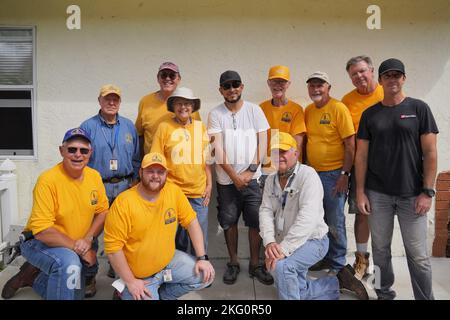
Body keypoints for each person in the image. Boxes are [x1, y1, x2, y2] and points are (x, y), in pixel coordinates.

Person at [355, 58, 438, 300]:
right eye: (387, 75)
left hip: (413, 194)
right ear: (379, 80)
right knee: (380, 251)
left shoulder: (419, 109)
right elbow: (361, 156)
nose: (392, 79)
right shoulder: (370, 114)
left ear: (404, 78)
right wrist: (360, 192)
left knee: (418, 255)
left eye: (397, 75)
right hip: (377, 193)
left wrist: (427, 191)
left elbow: (431, 153)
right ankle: (383, 293)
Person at [1, 128, 109, 300]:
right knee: (69, 264)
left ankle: (31, 277)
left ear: (90, 153)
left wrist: (88, 239)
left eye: (84, 150)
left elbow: (103, 211)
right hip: (38, 242)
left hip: (75, 243)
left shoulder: (94, 176)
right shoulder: (48, 180)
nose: (78, 155)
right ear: (62, 151)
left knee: (76, 296)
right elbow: (43, 231)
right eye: (72, 149)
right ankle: (41, 271)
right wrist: (79, 249)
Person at [259, 132, 368, 300]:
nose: (279, 156)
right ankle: (335, 284)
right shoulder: (270, 180)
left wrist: (283, 249)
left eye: (284, 151)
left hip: (313, 241)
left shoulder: (308, 176)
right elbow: (265, 211)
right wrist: (270, 242)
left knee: (282, 267)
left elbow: (307, 219)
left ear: (295, 153)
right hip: (287, 241)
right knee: (295, 287)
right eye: (275, 152)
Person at [104, 152, 214, 300]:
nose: (155, 176)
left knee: (205, 276)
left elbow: (191, 222)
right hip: (138, 276)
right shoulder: (123, 203)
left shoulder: (173, 191)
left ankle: (162, 295)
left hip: (167, 263)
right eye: (150, 171)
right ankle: (124, 290)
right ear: (140, 172)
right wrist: (131, 282)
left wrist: (202, 258)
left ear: (166, 174)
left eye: (160, 172)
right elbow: (113, 249)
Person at [207, 70, 273, 286]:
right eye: (227, 86)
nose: (232, 89)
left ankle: (255, 264)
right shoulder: (215, 114)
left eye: (235, 84)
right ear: (221, 90)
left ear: (242, 87)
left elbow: (263, 142)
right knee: (229, 222)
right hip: (227, 181)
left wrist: (250, 171)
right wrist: (235, 176)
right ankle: (233, 262)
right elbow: (217, 147)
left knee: (256, 221)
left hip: (253, 180)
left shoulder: (255, 110)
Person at [80, 84, 140, 284]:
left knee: (124, 231)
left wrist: (134, 182)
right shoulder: (88, 127)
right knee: (92, 232)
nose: (111, 102)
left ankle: (120, 272)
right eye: (107, 98)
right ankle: (89, 277)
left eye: (115, 99)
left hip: (124, 186)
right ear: (100, 101)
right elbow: (80, 157)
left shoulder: (129, 126)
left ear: (120, 102)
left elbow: (137, 157)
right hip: (98, 187)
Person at [304, 71, 355, 274]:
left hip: (334, 175)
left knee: (335, 220)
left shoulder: (338, 108)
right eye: (312, 85)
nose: (316, 89)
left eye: (320, 85)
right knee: (318, 219)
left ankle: (338, 264)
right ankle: (324, 257)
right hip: (313, 175)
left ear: (328, 87)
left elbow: (350, 145)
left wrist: (345, 174)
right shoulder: (308, 110)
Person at [151, 87, 212, 255]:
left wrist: (209, 185)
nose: (183, 107)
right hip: (172, 192)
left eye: (187, 103)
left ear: (192, 107)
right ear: (173, 106)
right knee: (176, 239)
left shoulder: (201, 127)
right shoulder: (164, 127)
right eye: (179, 103)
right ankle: (179, 275)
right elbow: (156, 161)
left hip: (198, 193)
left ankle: (201, 275)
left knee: (199, 238)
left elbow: (206, 160)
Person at [341, 56, 384, 279]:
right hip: (361, 166)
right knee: (362, 213)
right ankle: (362, 261)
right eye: (353, 74)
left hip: (389, 166)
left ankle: (383, 262)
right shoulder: (347, 101)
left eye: (362, 71)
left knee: (386, 214)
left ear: (372, 70)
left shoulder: (387, 93)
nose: (358, 77)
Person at [135, 62, 200, 158]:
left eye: (172, 75)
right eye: (164, 75)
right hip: (154, 167)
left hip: (180, 166)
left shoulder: (188, 106)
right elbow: (139, 135)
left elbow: (197, 135)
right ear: (158, 78)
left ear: (179, 79)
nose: (167, 79)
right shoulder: (145, 101)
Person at [259, 65, 306, 184]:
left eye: (282, 82)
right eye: (274, 81)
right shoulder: (261, 108)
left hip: (288, 169)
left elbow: (297, 144)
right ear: (268, 83)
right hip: (267, 170)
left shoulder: (296, 109)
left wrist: (288, 169)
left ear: (288, 84)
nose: (278, 85)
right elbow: (258, 141)